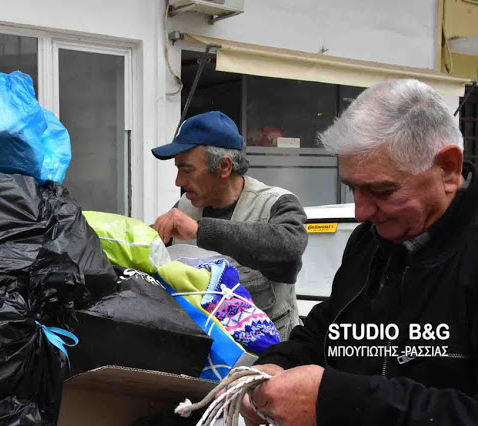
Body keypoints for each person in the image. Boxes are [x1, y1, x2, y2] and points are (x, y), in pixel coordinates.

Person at [240, 78, 478, 426]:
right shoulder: (371, 240)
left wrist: (338, 402)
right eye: (352, 188)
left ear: (448, 169)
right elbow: (328, 330)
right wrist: (275, 366)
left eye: (381, 190)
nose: (360, 212)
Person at [151, 111, 308, 341]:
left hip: (268, 356)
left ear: (224, 167)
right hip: (208, 351)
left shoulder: (276, 203)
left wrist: (200, 231)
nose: (178, 182)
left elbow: (290, 245)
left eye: (187, 170)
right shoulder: (185, 206)